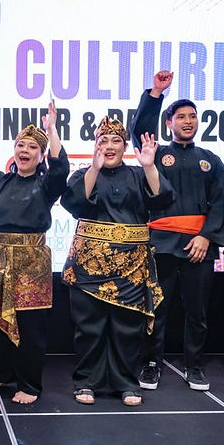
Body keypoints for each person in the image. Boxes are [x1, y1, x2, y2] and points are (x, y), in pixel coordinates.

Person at [0, 96, 69, 404]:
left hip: (31, 261)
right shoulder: (0, 182)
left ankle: (29, 385)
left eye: (32, 147)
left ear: (41, 155)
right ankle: (1, 373)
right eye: (21, 145)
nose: (25, 150)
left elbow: (61, 168)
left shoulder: (47, 184)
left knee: (31, 325)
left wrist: (52, 129)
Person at [61, 118, 172, 406]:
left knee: (127, 327)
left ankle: (126, 382)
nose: (109, 146)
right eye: (103, 141)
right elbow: (74, 204)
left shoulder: (138, 174)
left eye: (116, 141)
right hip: (90, 264)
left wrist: (150, 166)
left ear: (124, 147)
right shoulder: (83, 173)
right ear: (95, 146)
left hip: (131, 266)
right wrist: (94, 169)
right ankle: (86, 381)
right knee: (89, 326)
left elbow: (163, 198)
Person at [129, 70, 224, 392]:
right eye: (181, 117)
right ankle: (151, 363)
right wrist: (156, 94)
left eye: (192, 116)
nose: (188, 121)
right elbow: (140, 131)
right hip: (161, 243)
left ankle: (194, 366)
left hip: (200, 245)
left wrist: (206, 237)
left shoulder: (211, 161)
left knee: (197, 311)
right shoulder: (157, 154)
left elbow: (220, 203)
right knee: (156, 307)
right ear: (169, 123)